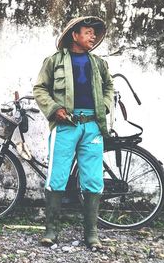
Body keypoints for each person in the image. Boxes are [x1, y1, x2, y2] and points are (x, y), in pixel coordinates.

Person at [33, 16, 114, 249]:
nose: (93, 37)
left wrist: (105, 106)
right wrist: (54, 108)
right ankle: (51, 231)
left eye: (94, 33)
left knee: (93, 178)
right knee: (57, 175)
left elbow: (109, 86)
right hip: (65, 125)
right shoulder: (54, 61)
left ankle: (91, 234)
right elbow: (40, 88)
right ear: (74, 36)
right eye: (88, 32)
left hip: (92, 127)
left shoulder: (98, 63)